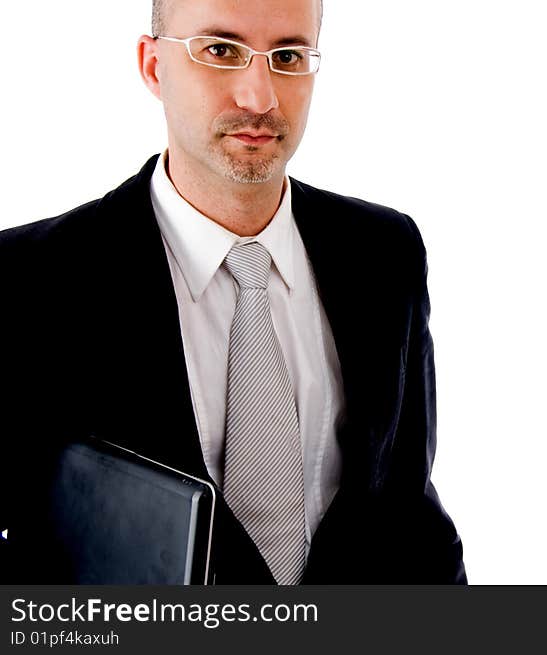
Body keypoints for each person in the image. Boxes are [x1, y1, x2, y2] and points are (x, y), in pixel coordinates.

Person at [0, 0, 465, 584]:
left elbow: (409, 509)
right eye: (221, 50)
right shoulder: (24, 278)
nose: (259, 97)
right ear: (152, 66)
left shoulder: (384, 252)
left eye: (289, 55)